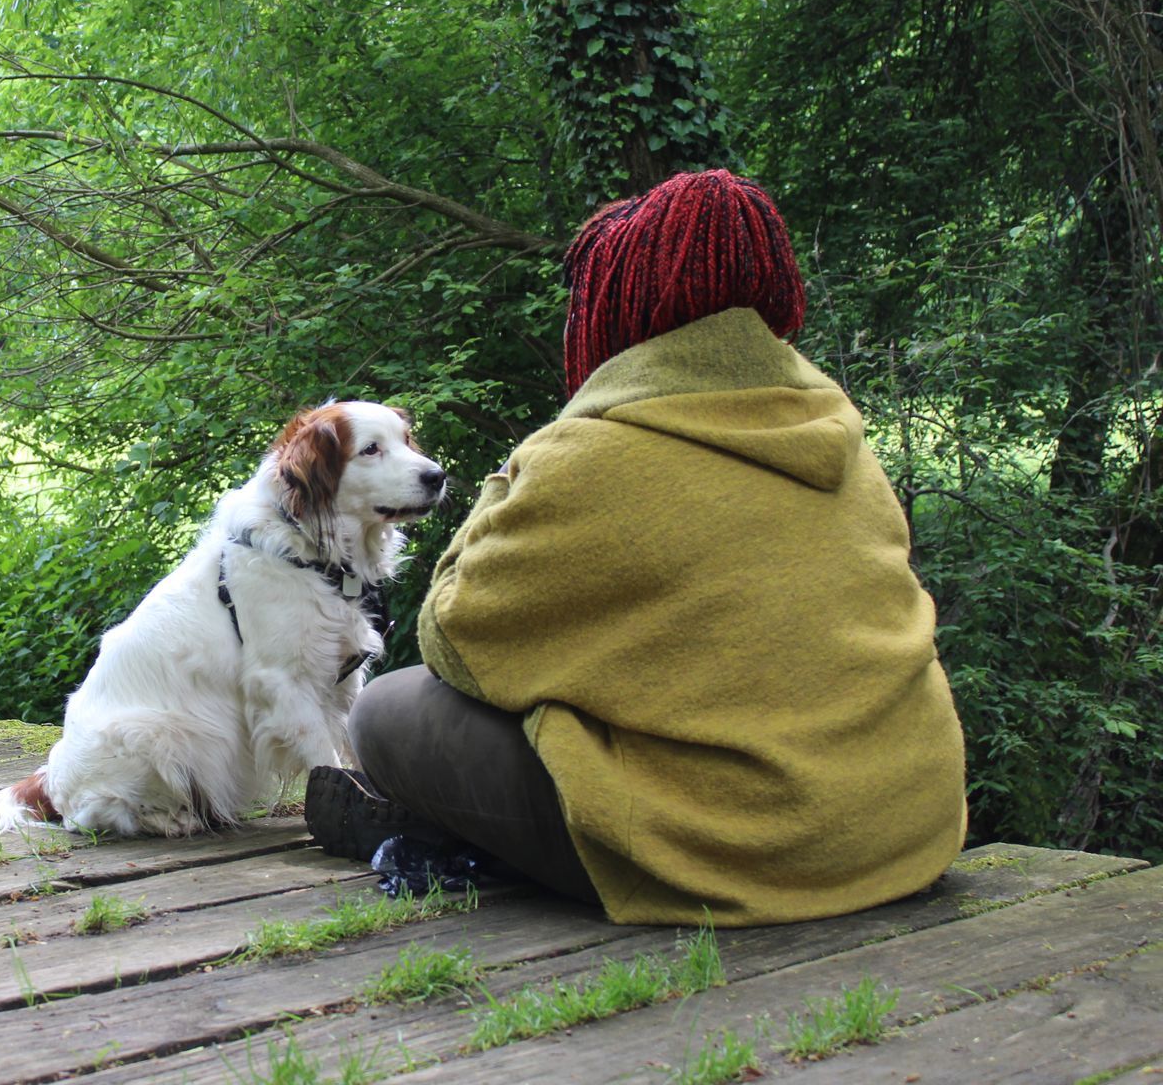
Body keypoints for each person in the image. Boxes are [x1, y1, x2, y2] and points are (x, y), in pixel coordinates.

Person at [305, 168, 967, 926]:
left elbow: (455, 638)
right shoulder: (841, 434)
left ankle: (480, 847)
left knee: (386, 711)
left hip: (749, 855)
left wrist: (514, 474)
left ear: (615, 311)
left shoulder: (593, 454)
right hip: (902, 830)